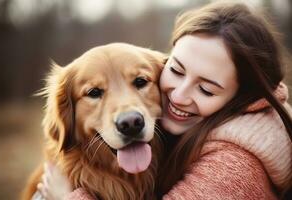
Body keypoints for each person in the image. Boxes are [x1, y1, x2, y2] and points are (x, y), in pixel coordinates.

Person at [36, 2, 292, 200]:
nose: (177, 96)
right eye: (177, 71)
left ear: (241, 99)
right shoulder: (185, 132)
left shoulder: (232, 169)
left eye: (206, 89)